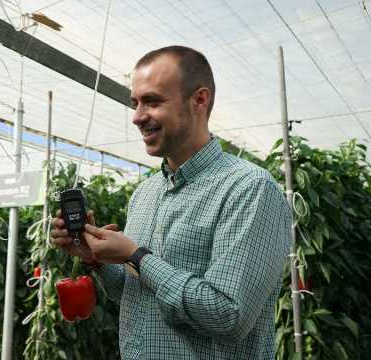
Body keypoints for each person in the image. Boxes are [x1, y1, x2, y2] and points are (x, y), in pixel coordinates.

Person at [51, 46, 291, 359]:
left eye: (152, 101)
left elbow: (228, 316)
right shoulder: (146, 193)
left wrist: (136, 256)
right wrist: (97, 259)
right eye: (135, 103)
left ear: (199, 100)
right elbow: (137, 296)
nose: (137, 117)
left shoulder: (249, 189)